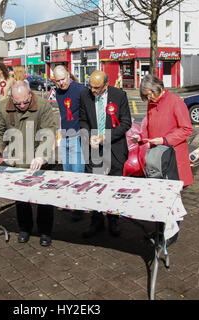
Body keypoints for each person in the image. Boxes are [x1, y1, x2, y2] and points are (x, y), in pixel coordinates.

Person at [0, 81, 57, 246]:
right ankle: (24, 228)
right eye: (17, 103)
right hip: (17, 160)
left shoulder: (43, 105)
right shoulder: (2, 106)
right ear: (11, 97)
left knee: (44, 199)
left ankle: (45, 232)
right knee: (21, 198)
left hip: (41, 159)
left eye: (25, 102)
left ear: (30, 94)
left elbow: (49, 132)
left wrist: (41, 156)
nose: (21, 106)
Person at [131, 74, 194, 245]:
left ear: (158, 87)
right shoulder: (152, 104)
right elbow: (150, 129)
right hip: (157, 159)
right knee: (158, 198)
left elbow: (186, 129)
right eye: (146, 95)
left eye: (150, 93)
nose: (149, 98)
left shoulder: (175, 102)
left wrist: (165, 140)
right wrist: (142, 138)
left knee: (171, 198)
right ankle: (160, 231)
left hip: (172, 158)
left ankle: (170, 234)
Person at [79, 70, 131, 238]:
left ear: (106, 85)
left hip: (114, 148)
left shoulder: (119, 95)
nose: (93, 91)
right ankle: (96, 220)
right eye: (91, 87)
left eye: (97, 88)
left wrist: (105, 137)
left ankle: (113, 220)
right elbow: (82, 120)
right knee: (94, 185)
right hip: (94, 149)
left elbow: (126, 123)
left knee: (113, 186)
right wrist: (87, 135)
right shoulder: (85, 95)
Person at [53, 65, 87, 221]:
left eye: (63, 79)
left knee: (77, 172)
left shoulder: (80, 89)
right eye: (57, 80)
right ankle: (69, 202)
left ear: (68, 75)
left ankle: (79, 207)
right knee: (67, 172)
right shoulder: (58, 92)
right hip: (65, 135)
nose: (61, 83)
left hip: (77, 135)